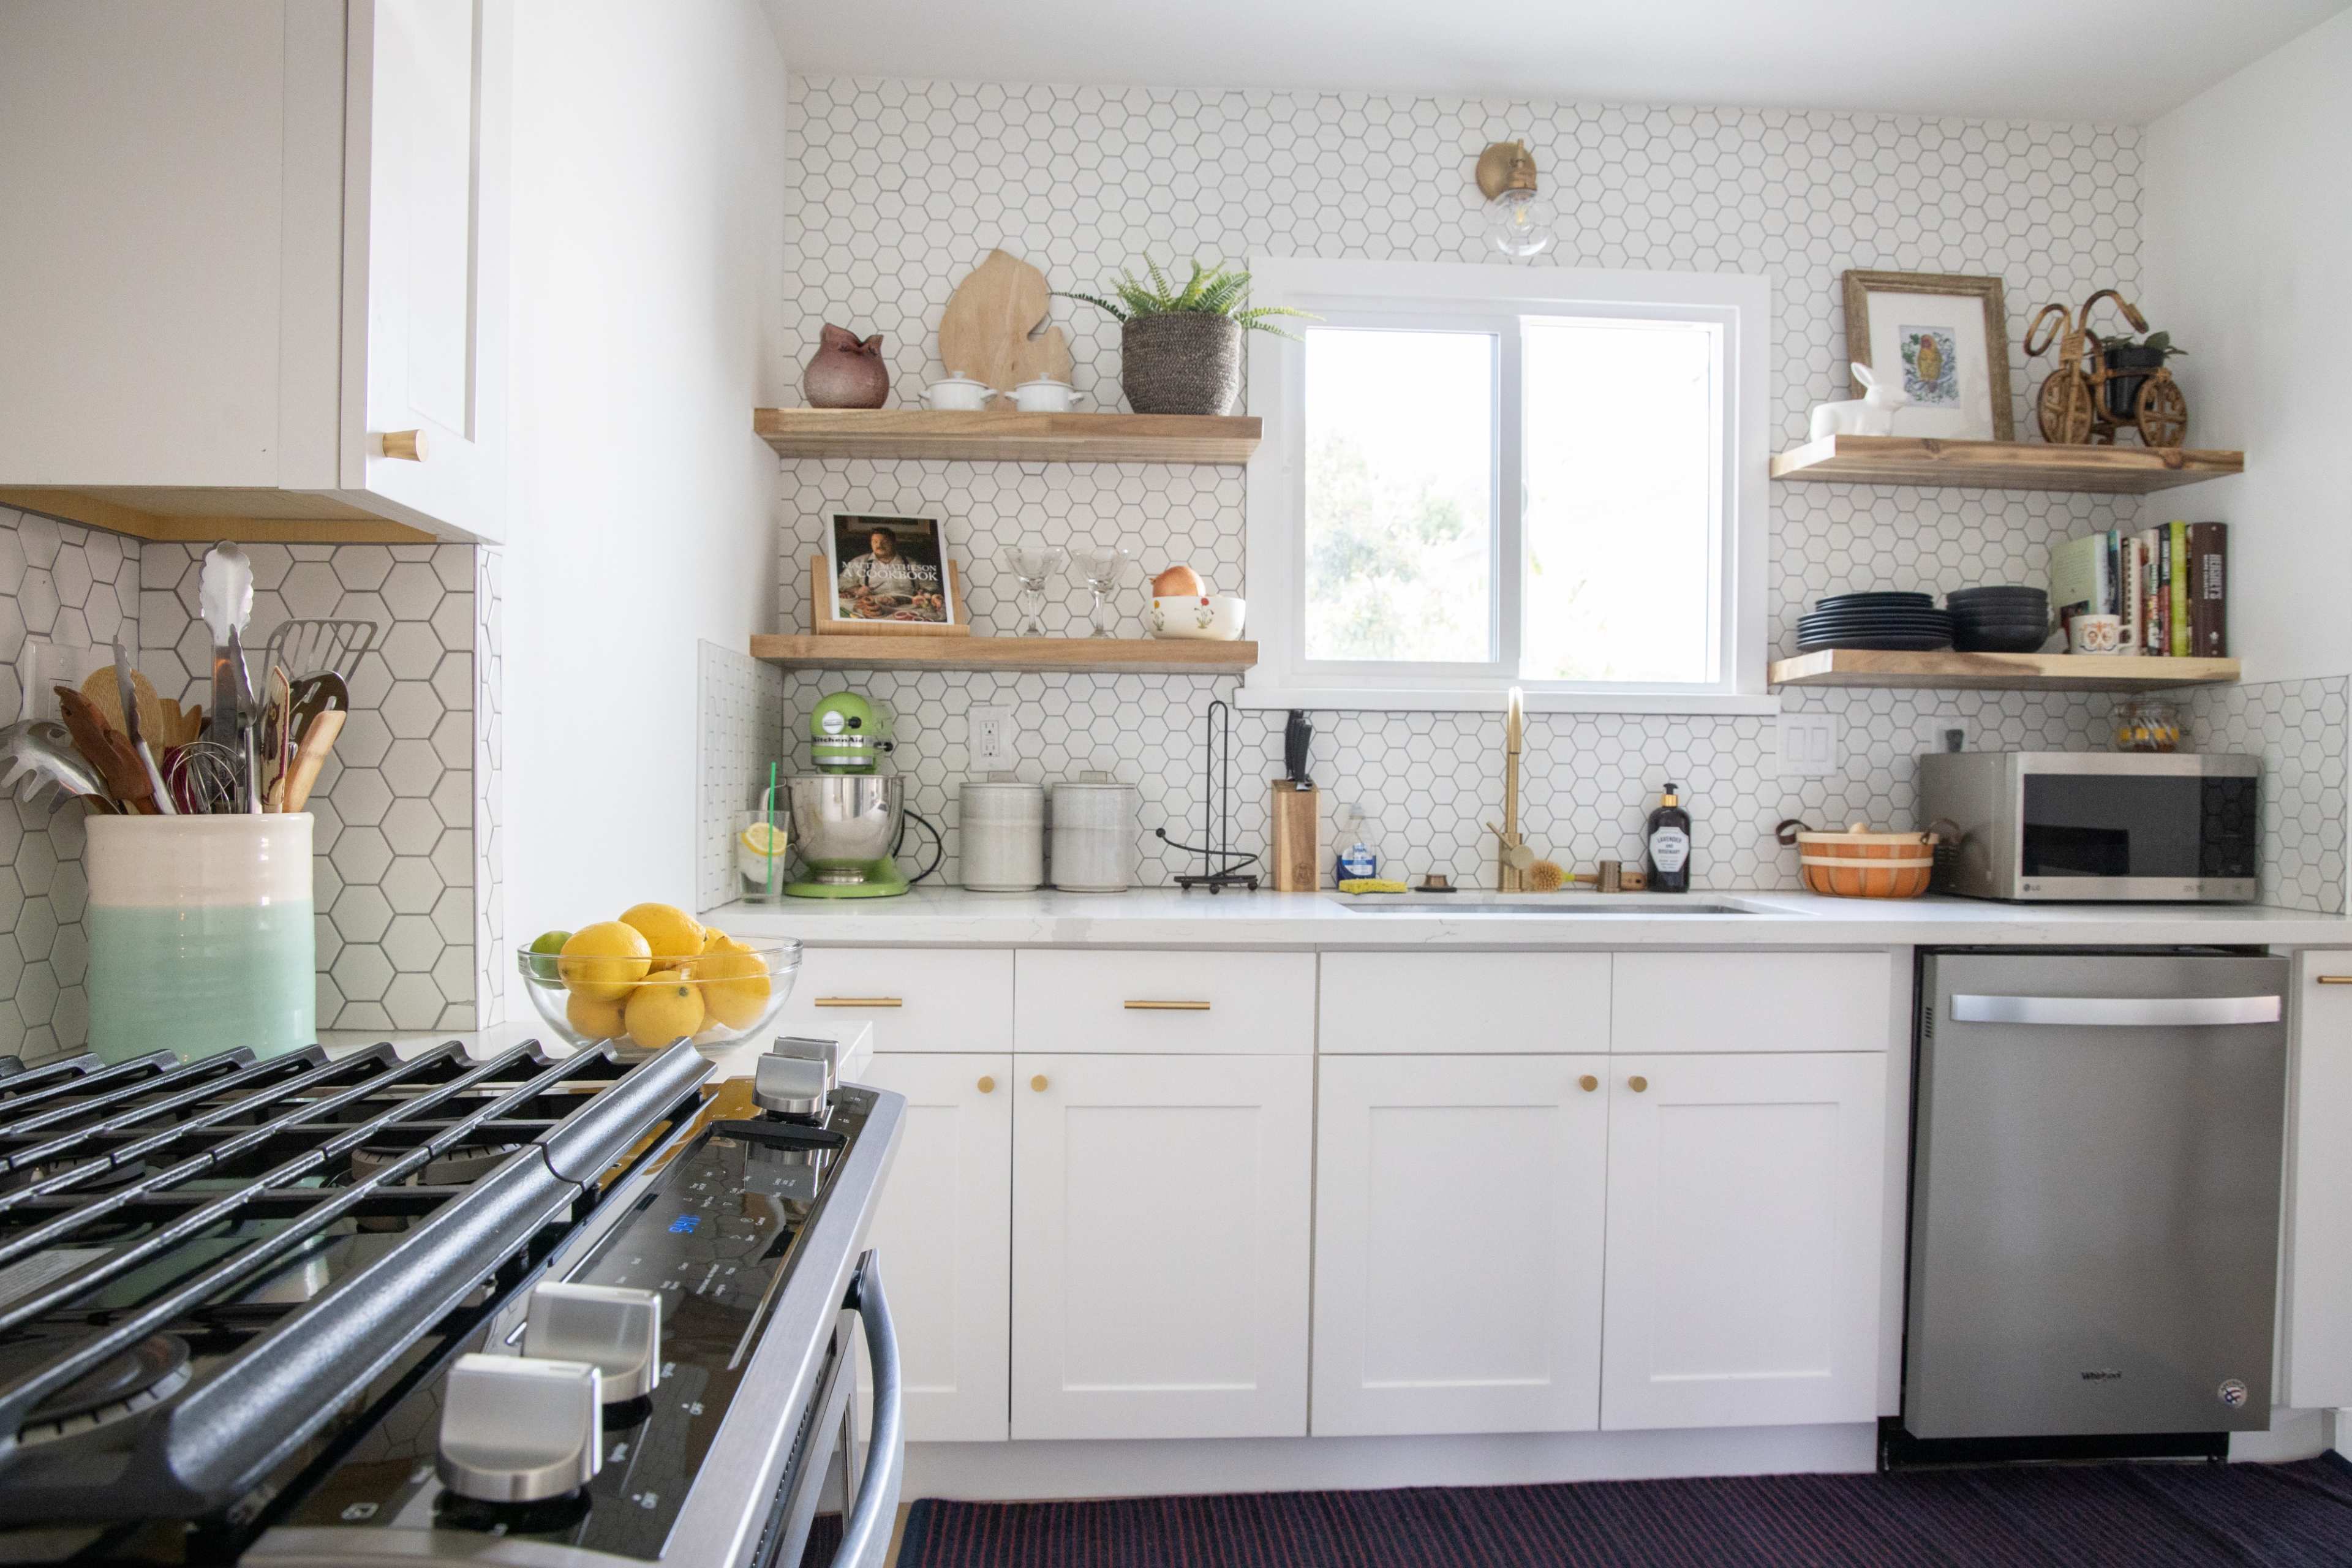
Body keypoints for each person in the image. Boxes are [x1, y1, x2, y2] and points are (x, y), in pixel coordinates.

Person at [837, 526, 944, 620]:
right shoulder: (859, 562)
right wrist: (857, 590)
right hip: (874, 609)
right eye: (875, 542)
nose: (879, 545)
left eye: (885, 542)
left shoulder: (912, 564)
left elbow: (932, 586)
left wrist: (926, 593)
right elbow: (841, 583)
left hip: (909, 609)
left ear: (894, 543)